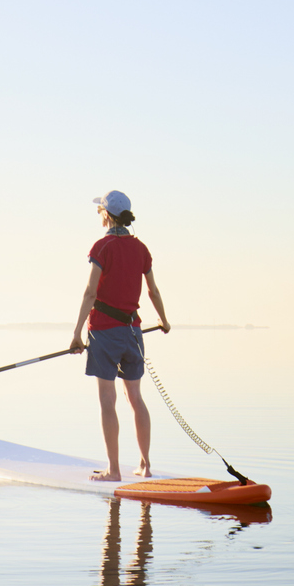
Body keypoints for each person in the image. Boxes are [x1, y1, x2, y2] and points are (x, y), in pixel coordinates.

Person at [69, 190, 171, 482]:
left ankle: (113, 470)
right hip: (133, 332)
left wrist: (76, 334)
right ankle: (145, 465)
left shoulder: (102, 247)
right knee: (135, 398)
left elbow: (90, 292)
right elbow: (153, 290)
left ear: (106, 215)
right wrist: (163, 321)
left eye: (99, 211)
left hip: (103, 331)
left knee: (107, 400)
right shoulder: (141, 249)